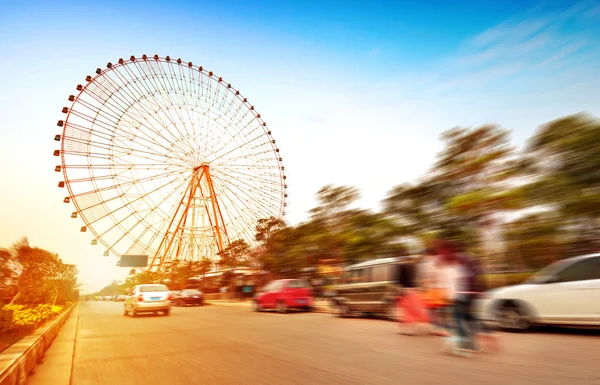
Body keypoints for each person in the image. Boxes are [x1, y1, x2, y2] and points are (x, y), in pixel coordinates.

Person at [397, 256, 430, 336]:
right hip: (414, 289)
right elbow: (417, 278)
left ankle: (406, 329)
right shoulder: (414, 266)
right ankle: (413, 329)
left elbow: (400, 280)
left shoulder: (401, 266)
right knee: (414, 309)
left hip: (405, 290)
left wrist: (400, 290)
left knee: (406, 310)